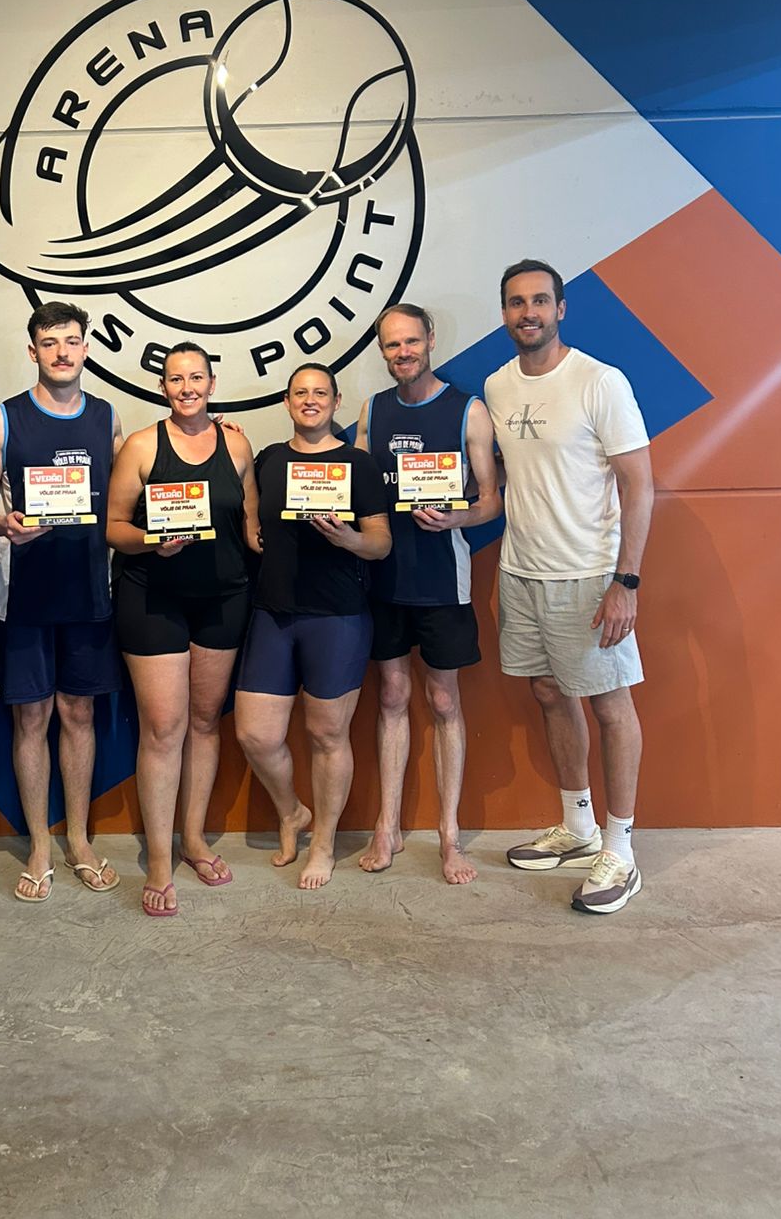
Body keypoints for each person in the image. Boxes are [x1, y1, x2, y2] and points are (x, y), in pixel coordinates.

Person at [485, 259, 653, 914]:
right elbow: (510, 478)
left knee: (610, 707)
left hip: (588, 576)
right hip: (522, 572)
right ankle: (578, 827)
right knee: (550, 694)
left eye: (539, 301)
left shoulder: (599, 381)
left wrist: (625, 581)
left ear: (560, 308)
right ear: (504, 313)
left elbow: (639, 485)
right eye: (515, 302)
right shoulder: (498, 386)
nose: (527, 312)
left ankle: (621, 850)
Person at [0, 301, 123, 903]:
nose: (62, 352)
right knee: (31, 720)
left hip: (89, 594)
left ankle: (78, 839)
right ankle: (38, 844)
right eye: (50, 342)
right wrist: (1, 525)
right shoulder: (1, 419)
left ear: (86, 349)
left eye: (72, 341)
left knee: (78, 716)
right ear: (32, 350)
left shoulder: (107, 418)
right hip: (23, 598)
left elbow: (135, 487)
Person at [106, 344, 258, 917]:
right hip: (153, 598)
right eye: (176, 378)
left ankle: (192, 838)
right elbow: (113, 527)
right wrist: (153, 541)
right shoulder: (142, 446)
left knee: (204, 721)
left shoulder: (237, 444)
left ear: (212, 384)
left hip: (224, 598)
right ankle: (160, 860)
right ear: (163, 386)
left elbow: (251, 523)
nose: (187, 387)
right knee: (164, 729)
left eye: (197, 377)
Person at [355, 303, 503, 884]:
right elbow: (356, 486)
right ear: (383, 351)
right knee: (392, 696)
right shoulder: (373, 411)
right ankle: (386, 826)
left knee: (443, 702)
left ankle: (448, 833)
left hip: (444, 580)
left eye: (411, 342)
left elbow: (491, 499)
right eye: (392, 345)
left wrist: (456, 518)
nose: (403, 353)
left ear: (430, 340)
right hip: (385, 579)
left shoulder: (468, 409)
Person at [234, 365, 390, 889]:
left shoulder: (358, 464)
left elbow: (381, 543)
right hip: (273, 612)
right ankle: (292, 811)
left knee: (327, 734)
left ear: (336, 401)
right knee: (255, 734)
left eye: (320, 392)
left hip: (337, 616)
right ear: (286, 402)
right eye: (300, 392)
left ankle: (323, 842)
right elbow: (249, 508)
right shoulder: (269, 459)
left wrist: (349, 540)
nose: (310, 400)